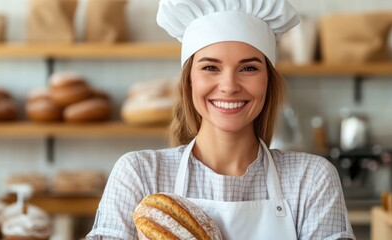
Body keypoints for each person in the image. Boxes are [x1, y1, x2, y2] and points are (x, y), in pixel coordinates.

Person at [87, 0, 356, 239]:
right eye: (210, 67)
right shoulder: (140, 174)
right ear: (189, 80)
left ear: (268, 82)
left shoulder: (310, 179)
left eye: (248, 68)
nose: (229, 86)